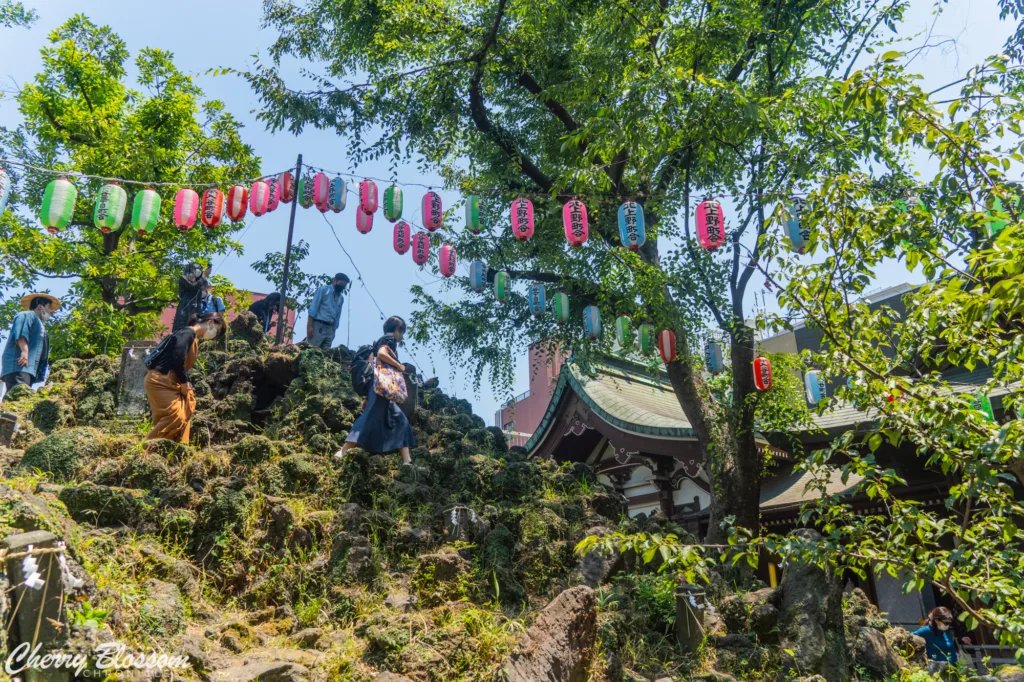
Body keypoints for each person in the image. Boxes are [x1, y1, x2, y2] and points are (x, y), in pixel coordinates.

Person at [334, 316, 416, 465]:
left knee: (400, 419)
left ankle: (407, 461)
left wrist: (367, 397)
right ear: (397, 330)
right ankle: (343, 451)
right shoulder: (389, 339)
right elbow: (382, 354)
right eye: (402, 332)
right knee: (369, 417)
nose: (401, 336)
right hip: (382, 390)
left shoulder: (381, 340)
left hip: (380, 389)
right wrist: (399, 366)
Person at [144, 312, 226, 444]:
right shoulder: (187, 333)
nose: (214, 335)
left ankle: (174, 450)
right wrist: (184, 382)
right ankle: (148, 449)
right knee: (174, 416)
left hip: (172, 381)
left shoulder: (193, 338)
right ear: (211, 322)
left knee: (185, 412)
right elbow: (177, 359)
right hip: (161, 381)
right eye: (217, 330)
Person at [1, 293, 59, 392]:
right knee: (18, 395)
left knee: (21, 394)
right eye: (49, 307)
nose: (51, 312)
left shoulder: (40, 325)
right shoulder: (26, 315)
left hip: (29, 368)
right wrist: (24, 351)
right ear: (40, 306)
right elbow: (20, 332)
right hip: (19, 365)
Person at [913, 607, 965, 672]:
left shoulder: (947, 632)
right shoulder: (926, 631)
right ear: (937, 620)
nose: (948, 625)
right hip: (936, 671)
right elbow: (909, 637)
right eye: (946, 623)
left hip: (952, 669)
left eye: (949, 623)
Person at [305, 273, 349, 350]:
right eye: (341, 284)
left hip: (330, 328)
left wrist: (333, 331)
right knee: (312, 350)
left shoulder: (341, 298)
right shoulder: (323, 290)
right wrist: (309, 326)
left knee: (325, 354)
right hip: (318, 326)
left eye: (344, 286)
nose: (342, 287)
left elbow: (338, 316)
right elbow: (313, 309)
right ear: (335, 281)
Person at [172, 262, 211, 332]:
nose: (197, 271)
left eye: (199, 270)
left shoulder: (200, 281)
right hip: (185, 307)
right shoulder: (183, 278)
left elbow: (203, 286)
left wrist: (205, 275)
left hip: (196, 309)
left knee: (194, 329)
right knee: (179, 330)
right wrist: (203, 276)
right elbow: (193, 287)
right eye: (194, 269)